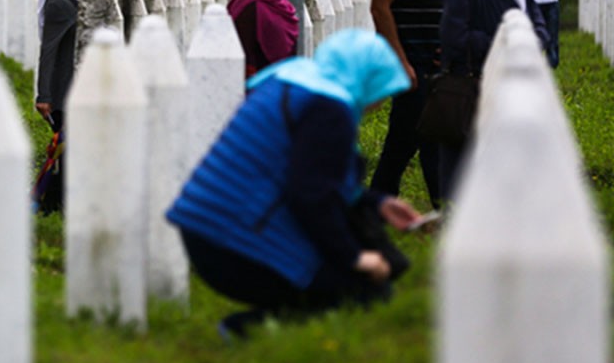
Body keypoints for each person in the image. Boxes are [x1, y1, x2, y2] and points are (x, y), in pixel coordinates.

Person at [166, 29, 423, 339]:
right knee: (365, 291)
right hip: (233, 240)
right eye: (381, 90)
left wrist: (378, 204)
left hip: (204, 229)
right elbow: (311, 196)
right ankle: (245, 331)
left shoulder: (293, 80)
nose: (379, 103)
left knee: (352, 280)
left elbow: (309, 175)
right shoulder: (329, 107)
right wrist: (354, 257)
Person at [438, 0, 549, 201]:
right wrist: (503, 42)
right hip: (475, 85)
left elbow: (536, 21)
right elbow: (454, 38)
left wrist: (534, 40)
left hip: (512, 82)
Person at [368, 0, 454, 208]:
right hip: (410, 60)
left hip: (437, 59)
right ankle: (378, 205)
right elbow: (381, 7)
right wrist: (400, 62)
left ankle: (439, 205)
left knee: (429, 136)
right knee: (406, 137)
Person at [33, 0, 87, 214]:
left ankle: (55, 203)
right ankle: (51, 204)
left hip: (71, 87)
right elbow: (49, 50)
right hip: (60, 91)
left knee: (68, 149)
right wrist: (44, 96)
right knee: (64, 149)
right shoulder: (60, 2)